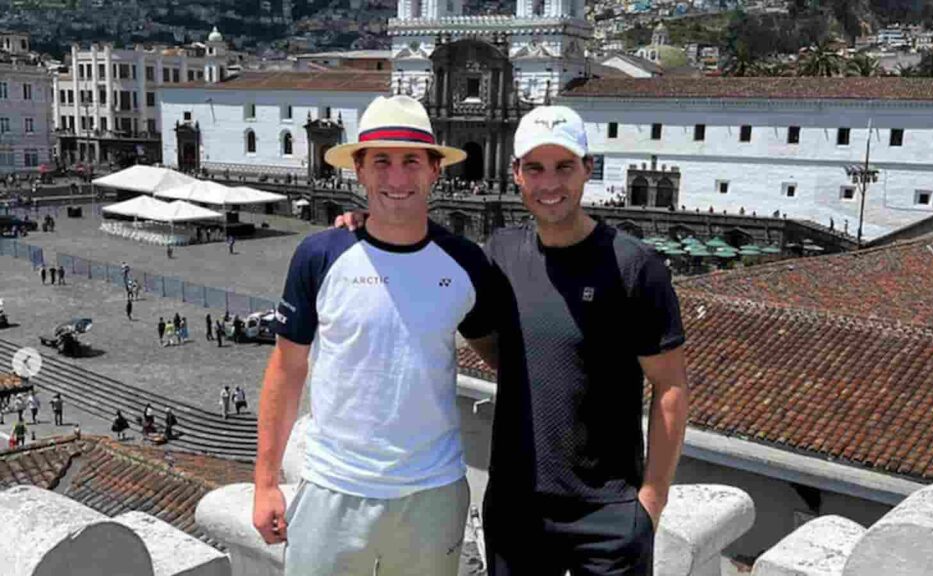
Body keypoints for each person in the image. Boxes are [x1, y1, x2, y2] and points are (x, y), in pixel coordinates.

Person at [336, 105, 690, 576]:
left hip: (607, 512)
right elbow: (462, 300)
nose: (550, 184)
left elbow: (671, 387)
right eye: (536, 168)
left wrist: (650, 502)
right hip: (515, 505)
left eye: (564, 167)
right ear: (516, 174)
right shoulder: (500, 253)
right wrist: (371, 220)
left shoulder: (635, 267)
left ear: (588, 169)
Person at [253, 94, 495, 576]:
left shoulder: (467, 263)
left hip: (434, 494)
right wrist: (264, 482)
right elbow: (286, 368)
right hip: (332, 488)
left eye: (411, 161)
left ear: (434, 171)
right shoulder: (318, 256)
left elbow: (503, 355)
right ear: (359, 171)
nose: (397, 177)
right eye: (381, 160)